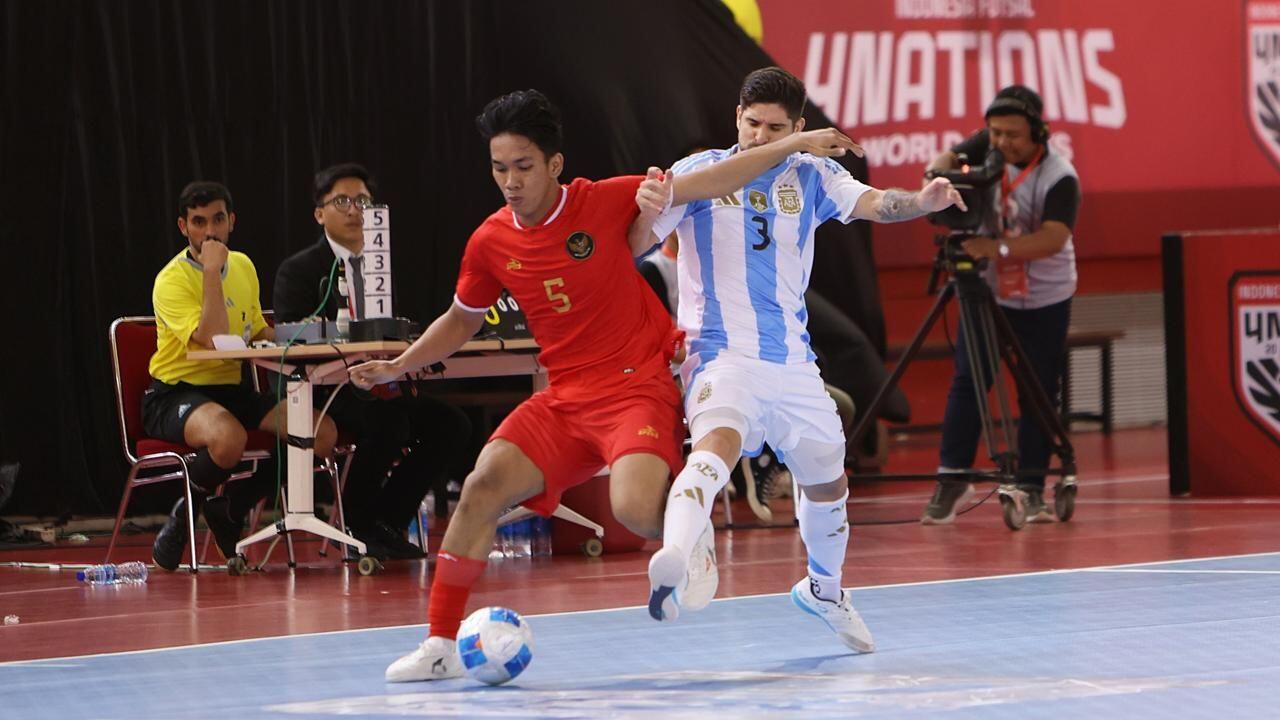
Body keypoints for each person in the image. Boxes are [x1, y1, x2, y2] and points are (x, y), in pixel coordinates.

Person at [347, 89, 861, 682]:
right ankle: (438, 643)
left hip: (636, 388)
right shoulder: (490, 240)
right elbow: (461, 319)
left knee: (638, 513)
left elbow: (720, 177)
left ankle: (689, 536)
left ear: (554, 164)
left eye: (523, 167)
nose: (510, 181)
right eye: (498, 168)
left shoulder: (606, 200)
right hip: (564, 399)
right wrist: (399, 365)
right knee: (483, 485)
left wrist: (794, 144)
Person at [637, 66, 963, 651]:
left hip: (791, 362)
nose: (762, 136)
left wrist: (923, 200)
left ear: (800, 126)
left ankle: (824, 589)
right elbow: (637, 241)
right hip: (719, 354)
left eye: (777, 128)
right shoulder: (696, 174)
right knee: (717, 445)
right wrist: (647, 203)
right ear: (737, 117)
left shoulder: (812, 173)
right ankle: (676, 556)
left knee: (828, 480)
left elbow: (875, 203)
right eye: (753, 123)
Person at [273, 163, 472, 560]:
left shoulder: (384, 265)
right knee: (388, 419)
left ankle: (386, 520)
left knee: (451, 425)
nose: (353, 211)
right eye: (342, 201)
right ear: (319, 213)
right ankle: (358, 523)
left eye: (362, 201)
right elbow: (288, 340)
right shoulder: (298, 270)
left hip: (382, 380)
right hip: (325, 391)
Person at [144, 181, 338, 571]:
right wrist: (211, 272)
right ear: (184, 227)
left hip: (231, 390)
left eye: (218, 219)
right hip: (175, 392)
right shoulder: (171, 280)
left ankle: (234, 504)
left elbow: (254, 331)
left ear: (231, 221)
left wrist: (299, 332)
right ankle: (185, 513)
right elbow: (214, 337)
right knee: (227, 437)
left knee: (322, 432)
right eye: (199, 222)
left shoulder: (245, 266)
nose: (210, 231)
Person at [920, 85, 1081, 525]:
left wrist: (998, 248)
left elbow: (1054, 237)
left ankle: (1032, 484)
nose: (1003, 142)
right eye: (995, 132)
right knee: (970, 379)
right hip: (991, 292)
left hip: (1045, 295)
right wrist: (945, 167)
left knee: (1038, 386)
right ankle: (952, 476)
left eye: (1013, 134)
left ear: (1039, 133)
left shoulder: (1059, 175)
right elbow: (939, 169)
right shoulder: (988, 148)